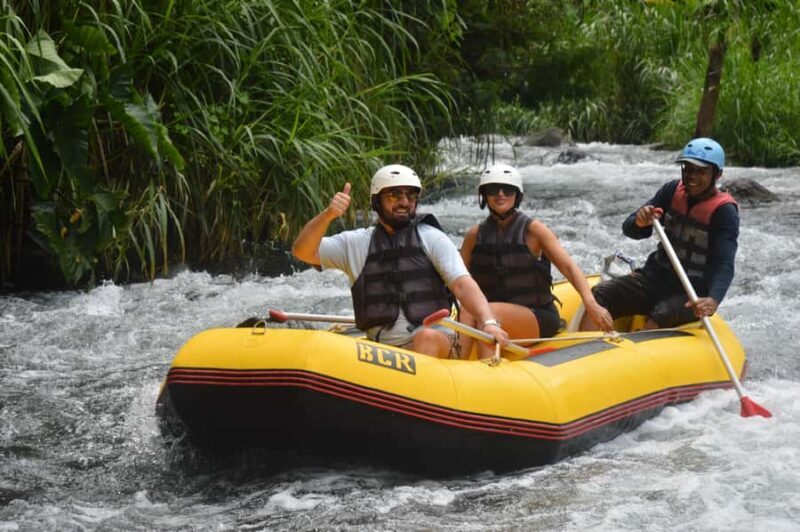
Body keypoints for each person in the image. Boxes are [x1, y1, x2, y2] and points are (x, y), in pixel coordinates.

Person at [291, 164, 509, 358]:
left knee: (426, 337)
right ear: (377, 201)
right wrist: (328, 215)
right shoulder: (356, 243)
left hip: (437, 343)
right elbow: (303, 251)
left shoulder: (432, 237)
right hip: (381, 351)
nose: (405, 202)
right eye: (395, 195)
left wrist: (489, 322)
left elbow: (462, 284)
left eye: (411, 196)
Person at [580, 137, 739, 331]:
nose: (692, 176)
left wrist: (713, 299)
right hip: (653, 278)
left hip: (691, 291)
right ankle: (582, 349)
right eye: (688, 169)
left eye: (701, 171)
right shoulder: (671, 191)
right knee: (599, 295)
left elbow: (724, 263)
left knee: (660, 315)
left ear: (717, 174)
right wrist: (639, 222)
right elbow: (629, 229)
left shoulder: (724, 211)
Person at [459, 163, 614, 359]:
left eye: (507, 189)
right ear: (484, 195)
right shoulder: (475, 235)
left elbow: (569, 267)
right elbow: (458, 280)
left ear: (517, 195)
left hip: (537, 315)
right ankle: (459, 364)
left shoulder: (534, 230)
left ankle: (487, 371)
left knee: (487, 312)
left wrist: (591, 304)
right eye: (493, 190)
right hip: (490, 316)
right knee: (468, 309)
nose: (500, 194)